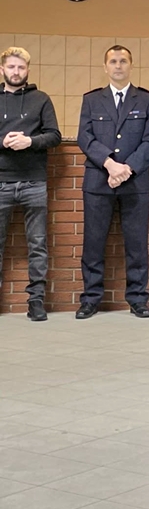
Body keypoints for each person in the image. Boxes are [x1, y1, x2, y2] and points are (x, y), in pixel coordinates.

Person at [76, 45, 149, 319]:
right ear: (105, 67)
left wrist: (128, 169)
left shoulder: (146, 100)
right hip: (98, 181)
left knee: (136, 244)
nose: (118, 65)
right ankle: (90, 299)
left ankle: (137, 299)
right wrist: (110, 164)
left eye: (123, 61)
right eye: (113, 61)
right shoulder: (91, 100)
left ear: (131, 65)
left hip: (134, 183)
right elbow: (85, 137)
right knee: (93, 243)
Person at [0, 46, 61, 321]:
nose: (16, 72)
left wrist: (30, 141)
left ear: (28, 70)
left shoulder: (41, 99)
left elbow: (54, 136)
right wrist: (2, 142)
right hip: (1, 181)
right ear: (2, 69)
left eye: (21, 67)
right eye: (11, 67)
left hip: (34, 182)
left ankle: (36, 301)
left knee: (37, 244)